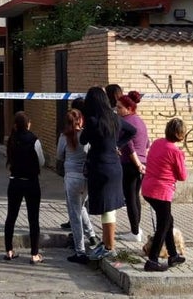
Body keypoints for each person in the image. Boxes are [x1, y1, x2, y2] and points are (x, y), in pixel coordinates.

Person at [82, 86, 136, 261]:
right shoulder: (113, 117)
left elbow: (83, 139)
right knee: (110, 207)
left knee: (106, 207)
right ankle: (107, 243)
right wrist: (118, 144)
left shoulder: (92, 120)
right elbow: (132, 131)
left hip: (100, 167)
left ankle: (109, 246)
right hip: (115, 166)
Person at [141, 117, 188, 272]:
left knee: (168, 220)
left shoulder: (157, 143)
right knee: (163, 224)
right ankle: (152, 259)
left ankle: (173, 254)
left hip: (148, 188)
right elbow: (182, 176)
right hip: (161, 191)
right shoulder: (175, 151)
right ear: (180, 134)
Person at [2, 111, 44, 263]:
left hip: (15, 181)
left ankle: (9, 251)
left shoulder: (12, 139)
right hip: (31, 182)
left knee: (11, 217)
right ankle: (34, 254)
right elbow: (42, 161)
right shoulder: (34, 140)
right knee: (33, 218)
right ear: (28, 124)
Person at [57, 109, 97, 263]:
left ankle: (80, 251)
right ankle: (92, 236)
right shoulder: (87, 137)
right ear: (81, 120)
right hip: (86, 177)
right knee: (80, 208)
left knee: (74, 215)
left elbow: (59, 156)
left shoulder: (64, 137)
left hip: (71, 177)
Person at [116, 91, 149, 243]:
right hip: (142, 162)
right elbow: (147, 143)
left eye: (120, 107)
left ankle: (135, 231)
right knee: (135, 196)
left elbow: (128, 146)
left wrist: (137, 164)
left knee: (130, 198)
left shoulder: (126, 123)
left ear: (129, 108)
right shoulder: (140, 121)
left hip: (131, 164)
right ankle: (136, 229)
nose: (117, 110)